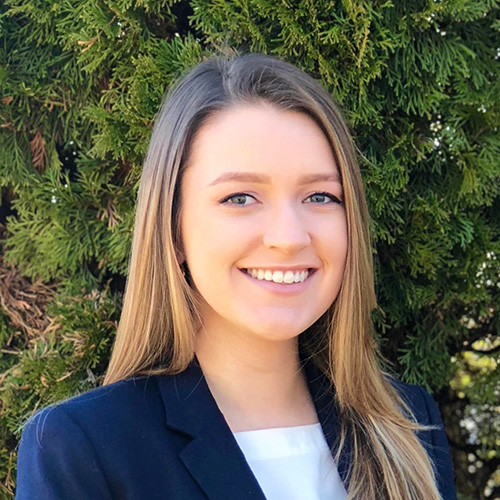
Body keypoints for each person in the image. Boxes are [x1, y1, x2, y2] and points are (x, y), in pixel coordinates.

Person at [15, 53, 457, 500]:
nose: (288, 237)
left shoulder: (409, 426)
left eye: (320, 196)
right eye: (241, 197)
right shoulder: (80, 447)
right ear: (175, 229)